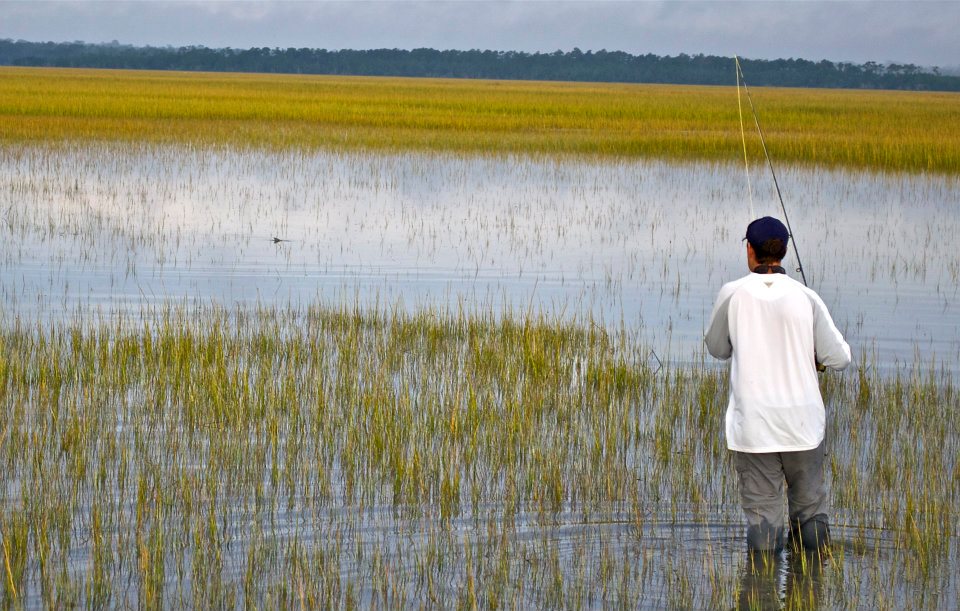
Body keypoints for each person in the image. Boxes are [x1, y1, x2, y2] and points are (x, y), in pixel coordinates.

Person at [705, 216, 851, 555]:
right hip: (803, 425)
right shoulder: (807, 296)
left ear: (750, 251)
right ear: (783, 251)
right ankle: (813, 583)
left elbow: (717, 349)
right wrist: (816, 357)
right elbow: (840, 358)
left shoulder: (732, 293)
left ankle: (761, 589)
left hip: (754, 427)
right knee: (810, 508)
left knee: (763, 518)